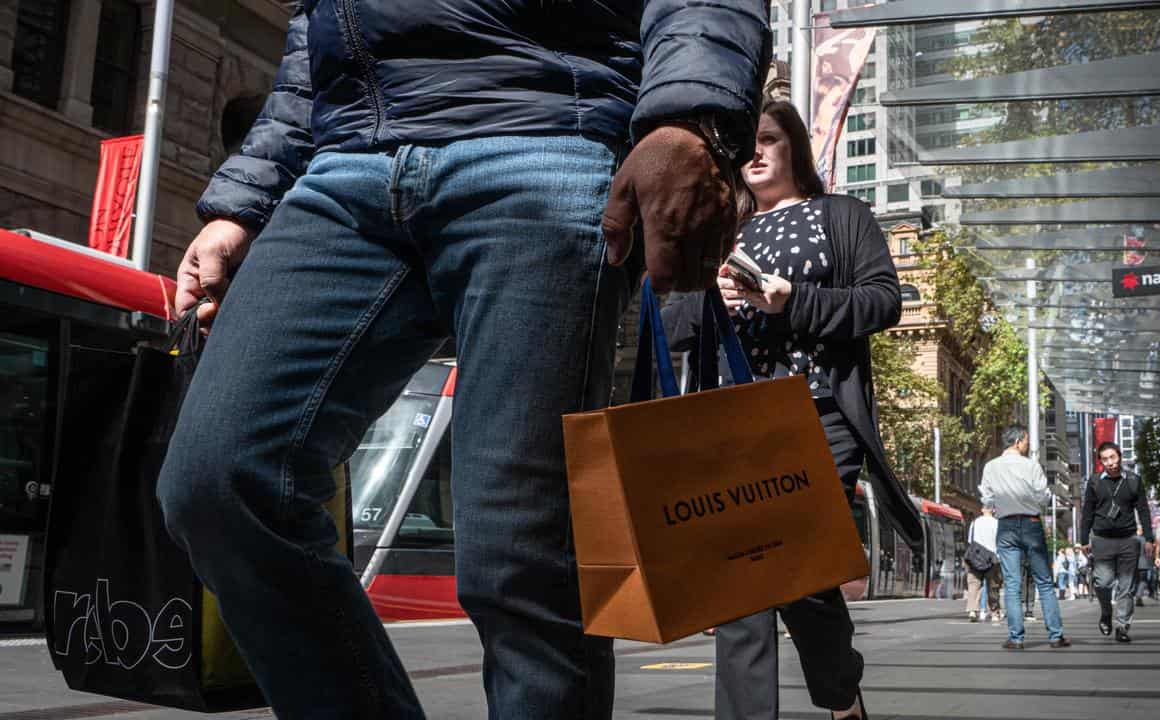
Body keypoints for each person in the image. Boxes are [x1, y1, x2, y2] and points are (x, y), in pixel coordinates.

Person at [153, 3, 771, 717]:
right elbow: (315, 36)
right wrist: (244, 200)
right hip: (343, 163)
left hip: (545, 131)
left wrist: (691, 121)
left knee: (521, 553)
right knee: (216, 478)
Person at [663, 99, 915, 720]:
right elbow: (674, 328)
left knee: (802, 572)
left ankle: (838, 689)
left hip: (818, 412)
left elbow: (884, 301)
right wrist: (708, 297)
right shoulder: (724, 231)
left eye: (768, 139)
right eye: (745, 143)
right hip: (734, 423)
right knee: (742, 586)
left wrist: (792, 300)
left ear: (794, 148)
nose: (754, 152)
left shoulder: (841, 215)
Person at [979, 425, 1070, 650]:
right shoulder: (1031, 466)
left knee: (1012, 584)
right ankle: (1055, 636)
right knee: (1044, 582)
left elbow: (987, 499)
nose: (1027, 445)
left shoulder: (990, 467)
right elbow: (1043, 496)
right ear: (1018, 441)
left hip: (1006, 525)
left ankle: (1016, 638)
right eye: (1026, 441)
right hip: (1031, 523)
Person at [1081, 442, 1154, 644]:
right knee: (1102, 582)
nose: (1110, 463)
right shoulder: (1095, 482)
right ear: (1101, 461)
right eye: (1105, 459)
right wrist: (1083, 539)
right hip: (1102, 540)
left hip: (1128, 539)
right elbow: (1087, 512)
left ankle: (1122, 625)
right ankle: (1106, 611)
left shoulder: (1133, 480)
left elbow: (1144, 510)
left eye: (1113, 457)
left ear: (1119, 456)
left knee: (1126, 586)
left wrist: (1149, 538)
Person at [965, 506, 1002, 623]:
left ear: (982, 509)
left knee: (973, 584)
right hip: (992, 558)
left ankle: (972, 610)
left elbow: (970, 540)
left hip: (976, 557)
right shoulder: (997, 523)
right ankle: (994, 612)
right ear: (994, 510)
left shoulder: (975, 522)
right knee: (993, 586)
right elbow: (1000, 541)